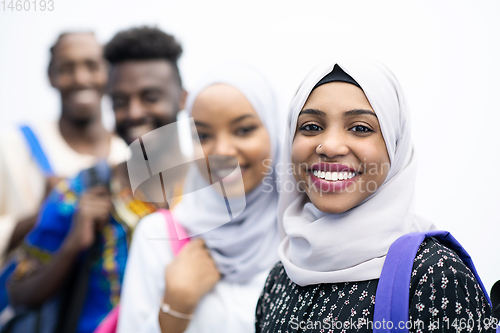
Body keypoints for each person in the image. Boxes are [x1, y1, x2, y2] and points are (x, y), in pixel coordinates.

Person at [255, 56, 494, 332]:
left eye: (360, 128)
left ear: (395, 145)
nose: (330, 146)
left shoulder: (435, 275)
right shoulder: (280, 276)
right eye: (311, 127)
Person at [6, 26, 186, 333]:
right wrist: (72, 246)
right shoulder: (81, 190)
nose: (133, 112)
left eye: (150, 97)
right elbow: (17, 292)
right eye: (119, 102)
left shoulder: (217, 190)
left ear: (182, 99)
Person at [116, 64, 282, 333]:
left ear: (275, 132)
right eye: (203, 135)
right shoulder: (160, 237)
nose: (222, 151)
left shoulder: (303, 237)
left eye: (243, 130)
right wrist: (176, 306)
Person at [0, 32, 127, 269]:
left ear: (109, 74)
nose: (80, 78)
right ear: (51, 76)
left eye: (92, 66)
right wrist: (48, 211)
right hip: (24, 299)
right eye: (67, 68)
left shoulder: (127, 153)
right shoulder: (13, 145)